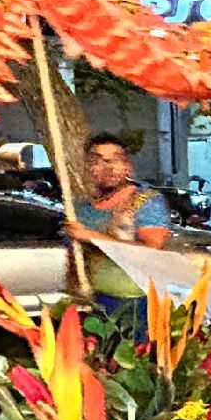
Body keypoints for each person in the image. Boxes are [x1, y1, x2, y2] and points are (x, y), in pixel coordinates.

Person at [64, 133, 172, 318]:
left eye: (116, 159)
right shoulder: (80, 210)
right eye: (98, 161)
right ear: (88, 169)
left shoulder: (147, 202)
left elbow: (152, 252)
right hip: (89, 300)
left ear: (128, 166)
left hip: (134, 302)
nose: (109, 167)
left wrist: (90, 236)